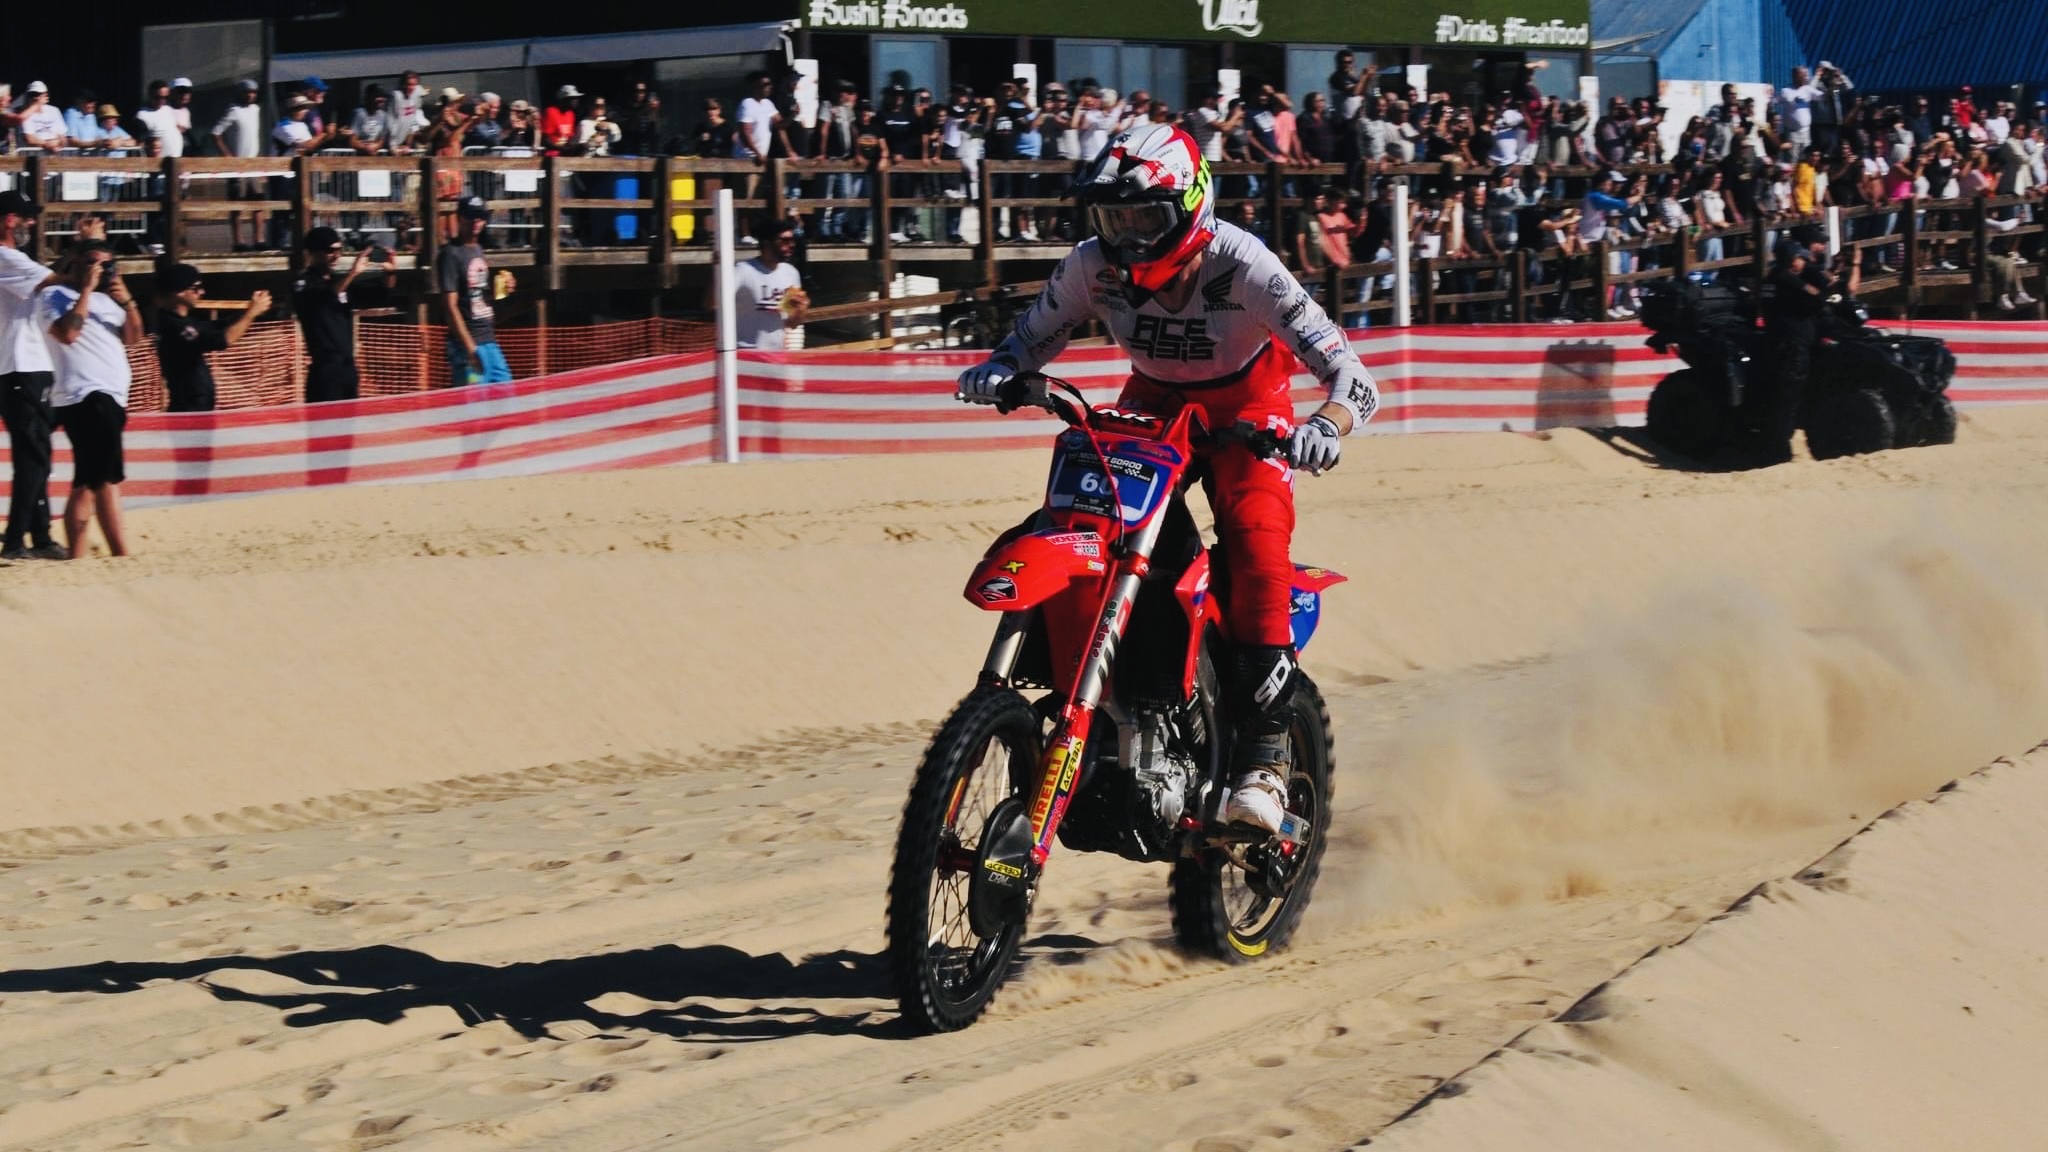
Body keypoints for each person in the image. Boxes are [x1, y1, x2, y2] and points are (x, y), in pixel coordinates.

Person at [955, 123, 1380, 835]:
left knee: (1254, 541)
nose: (1127, 236)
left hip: (1252, 415)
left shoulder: (1243, 262)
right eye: (1113, 218)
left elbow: (1350, 373)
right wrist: (1004, 368)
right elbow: (1036, 332)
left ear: (1190, 207)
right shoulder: (1094, 264)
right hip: (1152, 409)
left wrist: (1325, 426)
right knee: (1089, 519)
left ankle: (1265, 761)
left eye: (1144, 217)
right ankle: (1102, 692)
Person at [40, 244, 141, 559]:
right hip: (84, 392)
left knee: (88, 477)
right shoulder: (53, 296)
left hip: (112, 393)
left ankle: (78, 554)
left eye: (107, 265)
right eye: (92, 263)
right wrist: (85, 291)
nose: (100, 270)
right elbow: (67, 334)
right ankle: (119, 552)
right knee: (107, 478)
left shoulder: (107, 301)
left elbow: (135, 337)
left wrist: (126, 299)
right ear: (74, 263)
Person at [0, 191, 62, 560]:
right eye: (26, 217)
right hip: (22, 366)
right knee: (34, 456)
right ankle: (16, 540)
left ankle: (40, 536)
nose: (31, 224)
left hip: (24, 367)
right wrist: (88, 250)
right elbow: (60, 280)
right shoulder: (6, 256)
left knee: (38, 455)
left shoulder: (13, 258)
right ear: (9, 219)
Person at [152, 264, 270, 412]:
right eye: (195, 288)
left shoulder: (179, 322)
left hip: (195, 407)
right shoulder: (175, 326)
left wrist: (251, 310)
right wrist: (252, 313)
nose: (202, 292)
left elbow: (217, 325)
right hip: (189, 410)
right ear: (179, 292)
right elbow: (223, 340)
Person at [1757, 239, 1833, 465]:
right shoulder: (1786, 280)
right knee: (1788, 399)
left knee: (1785, 398)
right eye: (1800, 258)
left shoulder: (1774, 278)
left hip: (1785, 344)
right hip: (1791, 347)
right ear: (1791, 260)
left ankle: (1778, 447)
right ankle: (1779, 451)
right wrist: (1816, 273)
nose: (1803, 262)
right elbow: (1818, 298)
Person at [294, 226, 389, 402]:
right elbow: (323, 299)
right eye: (330, 250)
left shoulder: (339, 281)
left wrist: (390, 272)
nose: (336, 256)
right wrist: (352, 274)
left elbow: (380, 295)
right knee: (325, 428)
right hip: (325, 371)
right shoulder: (303, 283)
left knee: (349, 428)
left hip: (348, 369)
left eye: (339, 250)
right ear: (314, 253)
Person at [438, 196, 513, 386]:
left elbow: (480, 296)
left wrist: (504, 289)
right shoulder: (450, 254)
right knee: (472, 408)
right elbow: (450, 307)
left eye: (480, 217)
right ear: (460, 217)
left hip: (489, 341)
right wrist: (470, 349)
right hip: (467, 346)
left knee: (507, 400)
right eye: (470, 216)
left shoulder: (478, 249)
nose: (476, 221)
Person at [730, 218, 808, 349]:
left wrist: (800, 311)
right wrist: (719, 267)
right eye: (785, 240)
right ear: (767, 243)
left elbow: (792, 323)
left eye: (792, 240)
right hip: (746, 355)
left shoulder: (791, 273)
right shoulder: (742, 270)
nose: (792, 244)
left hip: (777, 356)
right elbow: (711, 305)